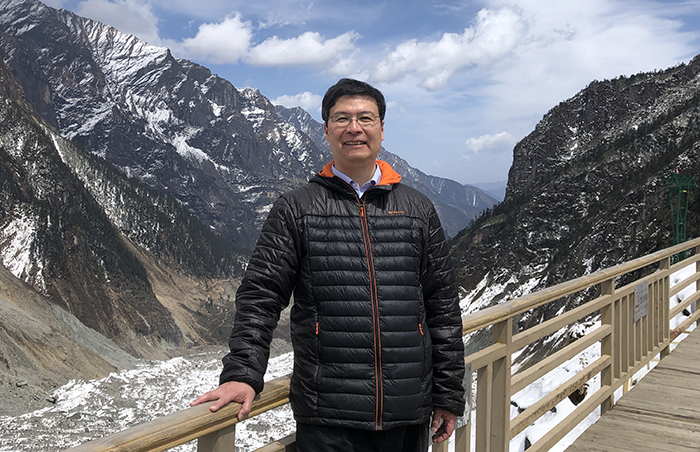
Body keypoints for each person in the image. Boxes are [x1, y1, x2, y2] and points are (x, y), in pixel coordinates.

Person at [191, 78, 465, 452]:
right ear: (326, 130)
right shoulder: (297, 209)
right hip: (327, 418)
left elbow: (442, 305)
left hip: (408, 413)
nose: (354, 128)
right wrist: (242, 373)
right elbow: (261, 296)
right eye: (342, 118)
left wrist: (448, 393)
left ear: (381, 128)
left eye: (365, 118)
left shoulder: (416, 209)